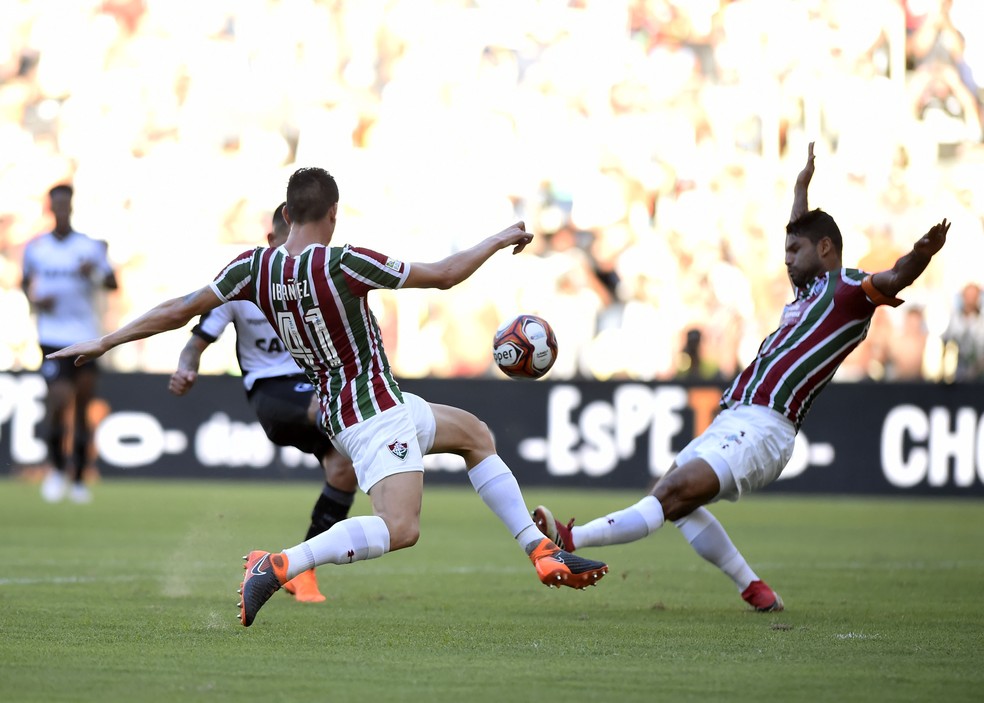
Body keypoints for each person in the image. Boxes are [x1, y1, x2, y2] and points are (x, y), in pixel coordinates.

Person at [47, 167, 608, 628]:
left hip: (357, 407)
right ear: (333, 215)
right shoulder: (343, 262)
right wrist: (500, 238)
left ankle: (540, 549)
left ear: (286, 214)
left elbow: (180, 308)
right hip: (374, 413)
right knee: (401, 529)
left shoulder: (252, 267)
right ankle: (282, 563)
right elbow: (442, 276)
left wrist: (107, 339)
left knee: (475, 436)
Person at [532, 142, 950, 612]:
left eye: (795, 249)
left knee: (669, 494)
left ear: (826, 248)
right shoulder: (808, 288)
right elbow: (800, 228)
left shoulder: (851, 291)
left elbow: (894, 279)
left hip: (768, 426)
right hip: (735, 417)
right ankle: (754, 588)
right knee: (676, 501)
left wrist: (921, 254)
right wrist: (799, 187)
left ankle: (570, 538)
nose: (787, 258)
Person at [168, 203, 358, 604]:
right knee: (335, 412)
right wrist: (186, 367)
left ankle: (299, 571)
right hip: (272, 393)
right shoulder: (241, 286)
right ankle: (382, 459)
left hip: (313, 387)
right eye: (287, 244)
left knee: (344, 469)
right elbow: (197, 339)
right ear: (270, 241)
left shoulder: (316, 280)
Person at [21, 184, 118, 504]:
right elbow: (25, 284)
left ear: (71, 207)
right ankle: (57, 470)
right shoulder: (36, 249)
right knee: (58, 401)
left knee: (82, 408)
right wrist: (36, 301)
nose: (62, 210)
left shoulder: (89, 247)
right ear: (51, 208)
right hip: (52, 336)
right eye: (57, 205)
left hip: (87, 337)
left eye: (66, 204)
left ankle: (78, 479)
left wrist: (94, 273)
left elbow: (111, 282)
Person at [940, 282, 984, 381]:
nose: (970, 300)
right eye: (968, 296)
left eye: (973, 296)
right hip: (959, 376)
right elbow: (945, 342)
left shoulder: (981, 322)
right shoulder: (955, 320)